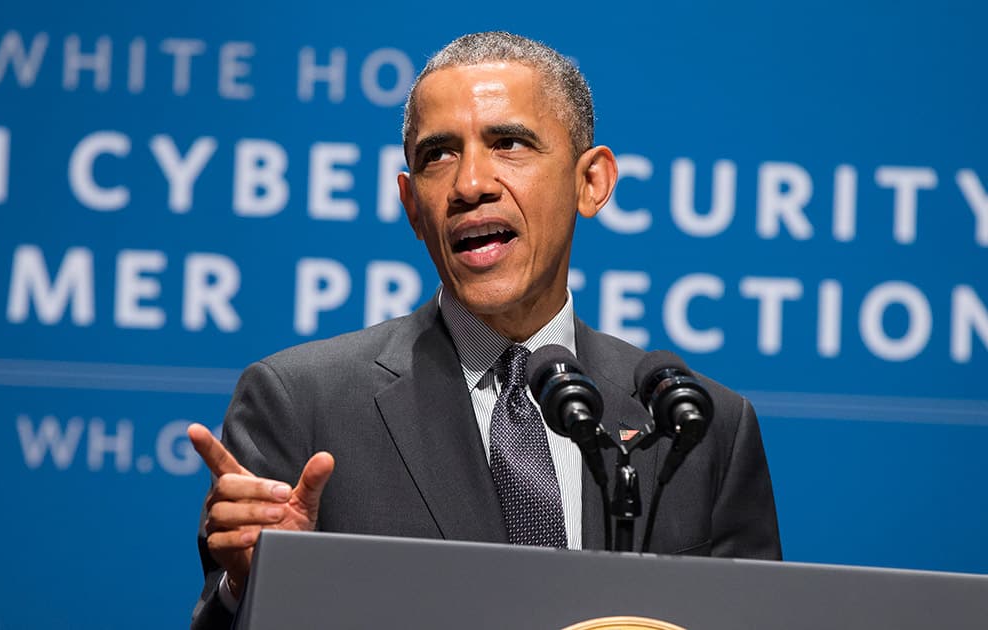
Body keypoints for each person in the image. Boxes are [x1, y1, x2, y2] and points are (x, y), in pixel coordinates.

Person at [188, 31, 782, 630]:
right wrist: (257, 584)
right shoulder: (304, 403)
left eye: (509, 143)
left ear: (591, 183)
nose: (470, 184)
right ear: (412, 206)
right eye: (437, 155)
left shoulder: (703, 431)